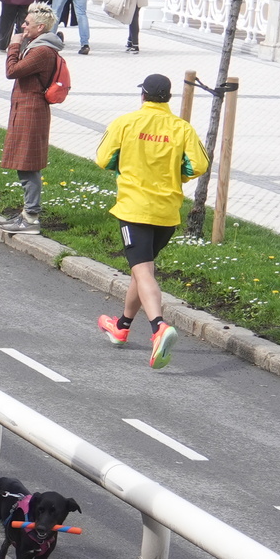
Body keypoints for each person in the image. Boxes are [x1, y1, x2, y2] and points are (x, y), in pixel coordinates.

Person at [93, 74, 210, 368]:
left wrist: (125, 165)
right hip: (167, 212)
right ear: (168, 98)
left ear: (143, 96)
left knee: (144, 271)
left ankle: (159, 326)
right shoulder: (182, 128)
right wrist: (179, 175)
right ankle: (121, 326)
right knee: (140, 270)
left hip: (134, 209)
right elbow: (200, 164)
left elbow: (103, 159)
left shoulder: (126, 123)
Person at [1, 5, 66, 232]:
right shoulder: (38, 46)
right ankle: (27, 213)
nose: (23, 26)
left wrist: (14, 44)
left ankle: (31, 216)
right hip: (27, 108)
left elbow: (12, 71)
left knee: (28, 165)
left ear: (40, 27)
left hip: (32, 111)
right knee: (24, 163)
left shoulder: (42, 52)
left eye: (27, 23)